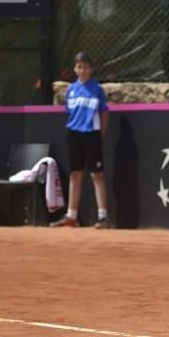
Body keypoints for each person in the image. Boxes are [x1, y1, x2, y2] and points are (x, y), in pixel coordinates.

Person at [49, 52, 109, 228]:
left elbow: (104, 114)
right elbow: (71, 113)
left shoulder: (97, 89)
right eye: (79, 67)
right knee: (75, 174)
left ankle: (103, 217)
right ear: (75, 69)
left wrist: (100, 136)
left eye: (85, 67)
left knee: (96, 175)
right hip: (74, 134)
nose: (82, 70)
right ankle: (71, 216)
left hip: (92, 134)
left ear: (91, 69)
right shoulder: (71, 90)